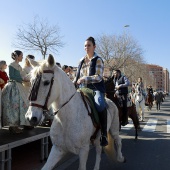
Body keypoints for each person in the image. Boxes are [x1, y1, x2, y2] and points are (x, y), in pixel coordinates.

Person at [74, 36, 108, 146]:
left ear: (94, 47)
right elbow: (77, 76)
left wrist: (85, 78)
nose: (86, 47)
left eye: (89, 45)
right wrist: (72, 83)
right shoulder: (81, 60)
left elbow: (98, 77)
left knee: (100, 104)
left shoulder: (98, 59)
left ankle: (104, 134)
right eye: (85, 46)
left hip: (95, 89)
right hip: (82, 88)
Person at [2, 50, 31, 133]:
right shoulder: (12, 65)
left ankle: (22, 123)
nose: (22, 57)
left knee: (22, 104)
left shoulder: (19, 66)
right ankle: (13, 125)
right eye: (21, 55)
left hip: (19, 85)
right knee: (14, 105)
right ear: (17, 56)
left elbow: (22, 75)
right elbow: (12, 76)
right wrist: (22, 80)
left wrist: (26, 79)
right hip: (13, 86)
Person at [0, 60, 9, 129]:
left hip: (5, 91)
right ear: (2, 65)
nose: (6, 65)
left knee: (3, 107)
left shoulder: (5, 73)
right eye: (5, 64)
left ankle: (3, 123)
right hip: (0, 90)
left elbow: (7, 81)